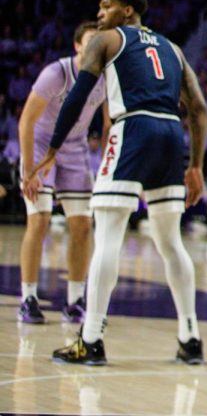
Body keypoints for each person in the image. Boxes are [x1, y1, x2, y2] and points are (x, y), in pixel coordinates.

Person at [22, 0, 207, 365]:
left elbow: (76, 97)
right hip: (171, 135)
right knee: (171, 241)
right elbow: (200, 108)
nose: (100, 13)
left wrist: (54, 147)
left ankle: (90, 340)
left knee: (107, 236)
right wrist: (197, 166)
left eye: (107, 6)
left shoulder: (107, 40)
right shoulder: (173, 48)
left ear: (127, 11)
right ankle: (190, 339)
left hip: (134, 129)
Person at [17, 22, 107, 324]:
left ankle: (75, 300)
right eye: (91, 41)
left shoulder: (106, 77)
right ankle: (28, 297)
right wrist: (30, 170)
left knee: (83, 226)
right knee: (39, 221)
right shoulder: (57, 74)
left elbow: (109, 124)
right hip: (42, 146)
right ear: (77, 46)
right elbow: (26, 122)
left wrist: (109, 162)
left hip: (76, 148)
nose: (96, 46)